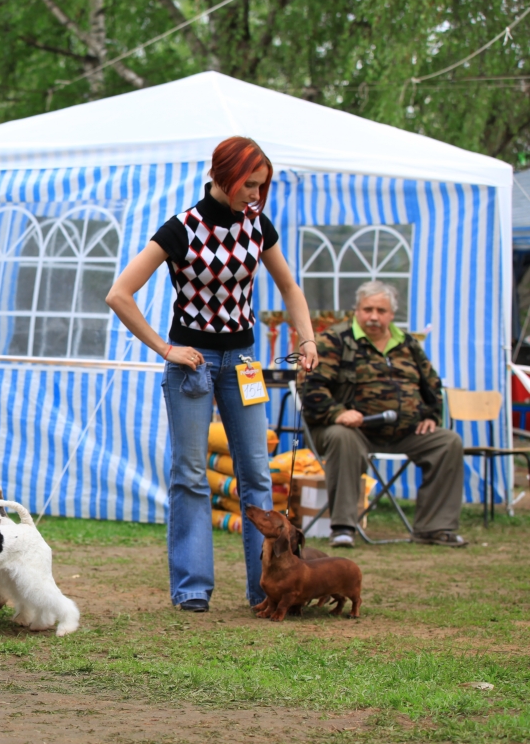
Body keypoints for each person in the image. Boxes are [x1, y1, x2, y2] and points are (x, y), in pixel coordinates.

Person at [105, 136, 318, 613]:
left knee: (257, 476)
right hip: (193, 362)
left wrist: (306, 339)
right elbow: (119, 294)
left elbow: (289, 285)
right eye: (250, 185)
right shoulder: (181, 228)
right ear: (224, 176)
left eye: (263, 187)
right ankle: (192, 587)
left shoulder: (258, 226)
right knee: (190, 475)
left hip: (242, 361)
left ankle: (265, 588)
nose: (256, 196)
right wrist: (166, 348)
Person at [299, 281, 465, 548]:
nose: (374, 316)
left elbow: (432, 385)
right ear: (357, 310)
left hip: (404, 433)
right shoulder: (334, 340)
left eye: (381, 310)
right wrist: (338, 413)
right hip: (349, 430)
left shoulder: (407, 343)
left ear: (391, 314)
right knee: (344, 437)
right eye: (367, 309)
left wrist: (431, 416)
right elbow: (309, 386)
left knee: (448, 442)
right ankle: (343, 527)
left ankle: (435, 528)